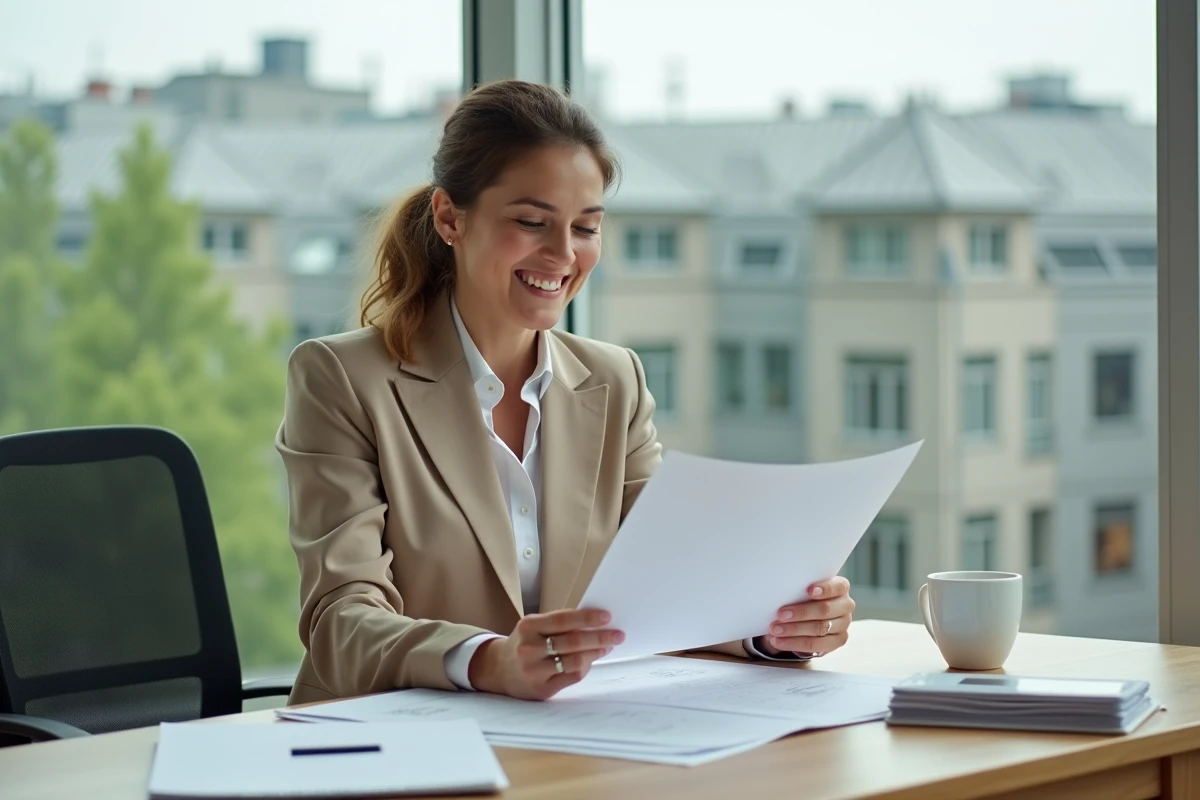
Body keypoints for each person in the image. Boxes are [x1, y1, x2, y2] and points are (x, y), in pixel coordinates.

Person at [275, 79, 856, 705]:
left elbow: (668, 586)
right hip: (388, 735)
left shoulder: (614, 380)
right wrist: (488, 661)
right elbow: (341, 619)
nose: (563, 253)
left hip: (560, 736)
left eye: (586, 227)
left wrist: (772, 630)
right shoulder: (343, 377)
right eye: (532, 222)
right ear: (449, 217)